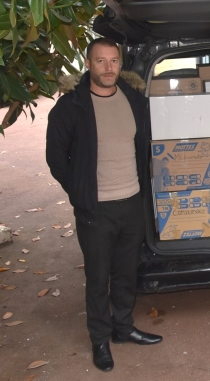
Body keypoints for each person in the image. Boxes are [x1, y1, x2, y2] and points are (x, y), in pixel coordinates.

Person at [46, 38, 162, 372]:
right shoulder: (71, 107)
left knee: (126, 272)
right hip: (95, 209)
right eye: (101, 61)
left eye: (113, 61)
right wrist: (81, 191)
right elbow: (56, 159)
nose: (108, 68)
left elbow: (143, 146)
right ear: (87, 64)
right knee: (98, 278)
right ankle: (100, 339)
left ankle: (123, 328)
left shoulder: (134, 100)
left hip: (131, 203)